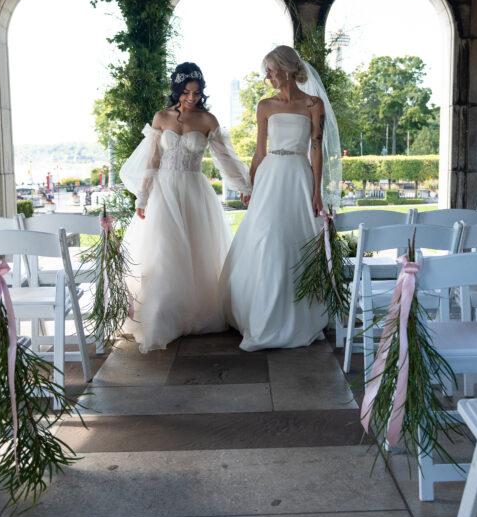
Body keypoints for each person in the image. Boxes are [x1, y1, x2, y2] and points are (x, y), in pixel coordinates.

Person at [119, 62, 252, 352]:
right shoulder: (161, 117)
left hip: (194, 192)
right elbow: (153, 159)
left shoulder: (207, 120)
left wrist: (245, 186)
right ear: (177, 89)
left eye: (197, 92)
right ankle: (163, 317)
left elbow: (225, 159)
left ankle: (193, 314)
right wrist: (143, 196)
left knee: (195, 253)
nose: (192, 97)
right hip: (163, 192)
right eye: (186, 92)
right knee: (164, 252)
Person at [219, 45, 343, 351]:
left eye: (270, 71)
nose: (267, 77)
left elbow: (316, 149)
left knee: (297, 239)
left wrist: (317, 191)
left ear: (286, 70)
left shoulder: (314, 104)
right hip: (270, 176)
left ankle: (296, 316)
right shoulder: (265, 106)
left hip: (299, 176)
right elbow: (259, 151)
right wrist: (249, 185)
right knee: (267, 238)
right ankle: (263, 315)